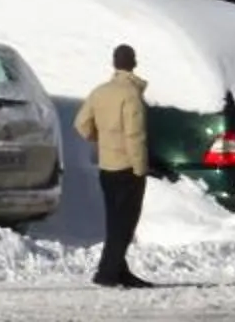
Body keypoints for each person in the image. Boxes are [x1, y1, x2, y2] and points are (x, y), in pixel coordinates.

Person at [74, 43, 154, 290]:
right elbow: (135, 135)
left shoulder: (100, 92)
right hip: (128, 167)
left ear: (114, 63)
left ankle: (119, 271)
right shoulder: (131, 95)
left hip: (106, 166)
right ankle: (107, 272)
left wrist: (102, 139)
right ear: (134, 63)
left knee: (115, 221)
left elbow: (81, 124)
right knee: (126, 224)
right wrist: (140, 168)